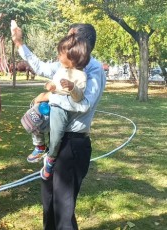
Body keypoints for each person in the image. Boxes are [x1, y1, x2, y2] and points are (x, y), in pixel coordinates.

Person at [11, 21, 106, 230]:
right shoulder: (66, 64)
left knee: (63, 210)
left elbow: (85, 105)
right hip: (56, 139)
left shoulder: (94, 69)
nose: (65, 40)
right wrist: (20, 44)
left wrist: (49, 96)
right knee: (50, 204)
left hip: (73, 144)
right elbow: (40, 67)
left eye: (69, 36)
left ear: (80, 42)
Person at [20, 32, 91, 181]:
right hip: (50, 103)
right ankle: (39, 145)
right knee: (32, 120)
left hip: (60, 110)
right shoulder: (61, 70)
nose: (58, 56)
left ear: (72, 57)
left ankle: (51, 158)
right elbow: (56, 86)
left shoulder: (80, 76)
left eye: (61, 54)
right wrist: (51, 86)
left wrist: (72, 88)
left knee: (56, 136)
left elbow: (79, 98)